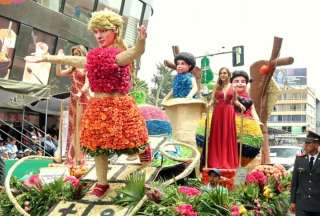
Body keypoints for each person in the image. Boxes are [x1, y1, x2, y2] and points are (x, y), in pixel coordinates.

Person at [25, 9, 149, 199]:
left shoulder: (119, 55)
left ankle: (143, 149)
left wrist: (141, 39)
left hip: (118, 105)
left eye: (103, 31)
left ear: (115, 30)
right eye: (96, 31)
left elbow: (136, 51)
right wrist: (48, 57)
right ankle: (102, 183)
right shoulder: (92, 57)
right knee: (98, 145)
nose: (98, 35)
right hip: (97, 106)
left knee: (129, 138)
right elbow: (76, 60)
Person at [55, 45, 88, 166]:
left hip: (82, 98)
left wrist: (81, 92)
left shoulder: (87, 67)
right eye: (74, 54)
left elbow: (87, 83)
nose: (75, 56)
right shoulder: (73, 68)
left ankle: (79, 158)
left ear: (83, 54)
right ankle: (72, 157)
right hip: (74, 98)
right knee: (72, 127)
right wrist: (58, 60)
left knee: (79, 128)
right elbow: (59, 73)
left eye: (78, 53)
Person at [207, 67, 245, 169]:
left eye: (224, 73)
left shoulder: (233, 87)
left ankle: (227, 162)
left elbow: (235, 101)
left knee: (227, 135)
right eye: (221, 73)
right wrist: (209, 104)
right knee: (217, 135)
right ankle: (216, 162)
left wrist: (240, 105)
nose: (222, 75)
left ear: (228, 75)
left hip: (228, 112)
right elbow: (212, 100)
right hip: (218, 112)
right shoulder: (216, 87)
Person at [230, 70, 263, 165]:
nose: (240, 83)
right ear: (231, 83)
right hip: (231, 129)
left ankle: (241, 178)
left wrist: (258, 122)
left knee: (244, 159)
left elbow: (253, 111)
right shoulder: (228, 96)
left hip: (248, 130)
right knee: (232, 155)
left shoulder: (248, 99)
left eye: (243, 81)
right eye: (236, 81)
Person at [290, 131, 320, 216]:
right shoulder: (300, 159)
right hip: (301, 205)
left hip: (317, 205)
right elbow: (294, 183)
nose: (305, 145)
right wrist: (293, 201)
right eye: (305, 143)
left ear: (316, 144)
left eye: (308, 143)